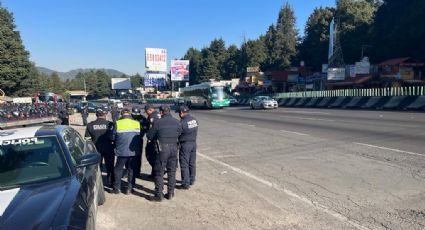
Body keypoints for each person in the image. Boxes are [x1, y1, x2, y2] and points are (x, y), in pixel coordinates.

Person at [147, 105, 181, 201]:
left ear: (161, 112)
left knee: (159, 172)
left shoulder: (158, 122)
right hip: (174, 148)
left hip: (162, 149)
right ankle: (170, 193)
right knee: (172, 172)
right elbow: (180, 133)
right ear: (169, 111)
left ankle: (159, 194)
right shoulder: (177, 122)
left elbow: (149, 136)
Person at [112, 108, 141, 195]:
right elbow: (139, 136)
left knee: (118, 169)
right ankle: (129, 188)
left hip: (121, 151)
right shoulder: (137, 123)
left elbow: (113, 137)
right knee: (131, 169)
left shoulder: (118, 123)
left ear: (122, 115)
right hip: (133, 151)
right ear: (130, 114)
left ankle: (117, 188)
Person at [85, 109, 115, 187]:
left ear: (96, 115)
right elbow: (114, 137)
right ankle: (111, 183)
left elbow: (87, 139)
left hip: (96, 149)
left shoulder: (90, 125)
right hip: (109, 148)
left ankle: (98, 184)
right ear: (104, 115)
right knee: (110, 166)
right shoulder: (110, 124)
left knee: (97, 167)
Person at [177, 105, 199, 189]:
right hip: (193, 143)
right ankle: (192, 179)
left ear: (182, 113)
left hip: (185, 144)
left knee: (184, 164)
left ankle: (185, 183)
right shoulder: (194, 119)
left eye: (179, 113)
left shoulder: (182, 123)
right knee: (192, 163)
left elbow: (177, 134)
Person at [130, 107, 147, 186]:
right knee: (129, 156)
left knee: (138, 156)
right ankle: (129, 171)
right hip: (129, 139)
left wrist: (141, 135)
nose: (135, 116)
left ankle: (137, 172)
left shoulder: (143, 119)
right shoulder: (129, 118)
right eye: (134, 115)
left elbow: (145, 128)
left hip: (139, 139)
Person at [144, 104, 161, 178]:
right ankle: (154, 173)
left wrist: (149, 139)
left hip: (153, 139)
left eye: (146, 111)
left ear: (150, 110)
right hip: (160, 139)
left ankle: (157, 172)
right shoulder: (159, 114)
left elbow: (152, 129)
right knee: (155, 156)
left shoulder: (152, 117)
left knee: (150, 156)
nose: (146, 113)